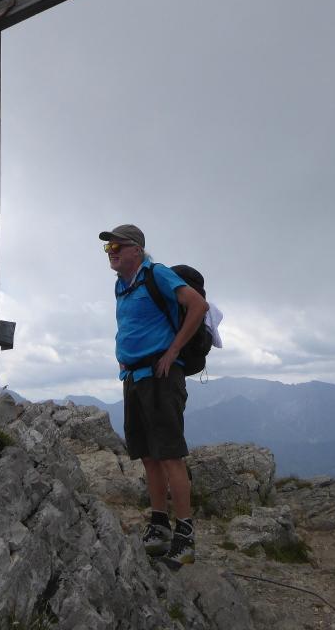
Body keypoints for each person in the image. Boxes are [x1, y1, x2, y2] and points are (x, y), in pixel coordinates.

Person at [99, 224, 209, 569]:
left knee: (170, 456)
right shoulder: (122, 285)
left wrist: (172, 351)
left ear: (137, 249)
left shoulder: (155, 274)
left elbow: (198, 305)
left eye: (116, 246)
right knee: (148, 456)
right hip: (134, 377)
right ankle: (159, 526)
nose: (111, 253)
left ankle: (184, 538)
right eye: (108, 248)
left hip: (160, 377)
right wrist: (123, 357)